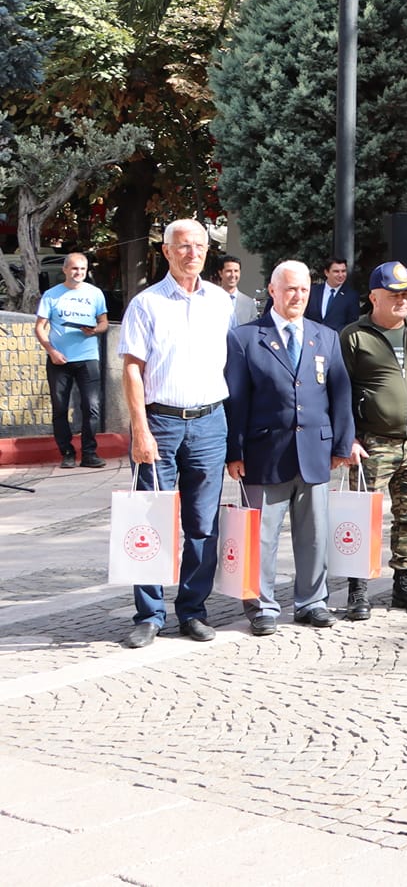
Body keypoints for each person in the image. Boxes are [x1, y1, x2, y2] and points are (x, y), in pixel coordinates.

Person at [117, 219, 237, 648]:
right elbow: (132, 369)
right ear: (166, 251)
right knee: (152, 520)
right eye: (183, 246)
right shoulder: (146, 305)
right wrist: (140, 430)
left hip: (209, 422)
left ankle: (192, 611)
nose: (192, 253)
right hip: (161, 424)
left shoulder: (222, 302)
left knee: (203, 525)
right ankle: (149, 614)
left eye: (200, 246)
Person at [225, 260, 355, 633]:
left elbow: (340, 393)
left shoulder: (325, 336)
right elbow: (237, 400)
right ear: (272, 291)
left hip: (314, 450)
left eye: (303, 290)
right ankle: (262, 606)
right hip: (264, 453)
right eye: (290, 289)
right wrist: (235, 452)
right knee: (262, 535)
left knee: (314, 535)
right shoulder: (246, 338)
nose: (297, 296)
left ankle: (312, 602)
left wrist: (342, 444)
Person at [339, 262, 407, 615]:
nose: (402, 300)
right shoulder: (354, 336)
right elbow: (340, 392)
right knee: (362, 515)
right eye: (394, 294)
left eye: (406, 294)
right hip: (372, 444)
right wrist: (348, 438)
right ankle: (357, 589)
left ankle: (405, 583)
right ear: (373, 297)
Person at [35, 251, 107, 468]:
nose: (78, 273)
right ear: (65, 269)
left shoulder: (95, 294)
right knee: (60, 408)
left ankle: (89, 453)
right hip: (59, 359)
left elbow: (104, 323)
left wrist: (94, 330)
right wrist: (51, 351)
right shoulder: (51, 295)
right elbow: (40, 327)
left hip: (87, 357)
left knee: (91, 406)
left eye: (82, 269)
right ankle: (66, 452)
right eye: (74, 268)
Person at [310, 257, 361, 331]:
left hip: (336, 340)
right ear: (326, 273)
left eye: (343, 271)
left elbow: (352, 324)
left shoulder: (352, 296)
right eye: (336, 271)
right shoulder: (313, 291)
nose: (341, 275)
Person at [216, 256, 261, 324]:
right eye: (229, 271)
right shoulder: (210, 299)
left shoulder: (249, 303)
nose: (233, 275)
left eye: (236, 271)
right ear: (220, 273)